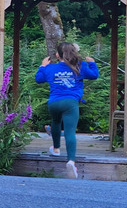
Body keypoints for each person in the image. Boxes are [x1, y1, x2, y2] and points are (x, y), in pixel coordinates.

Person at [35, 41, 99, 179]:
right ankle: (71, 161)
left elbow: (38, 79)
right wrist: (92, 63)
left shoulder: (51, 68)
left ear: (57, 55)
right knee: (70, 132)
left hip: (53, 102)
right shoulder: (79, 66)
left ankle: (56, 149)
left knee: (56, 122)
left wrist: (42, 65)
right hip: (70, 103)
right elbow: (94, 75)